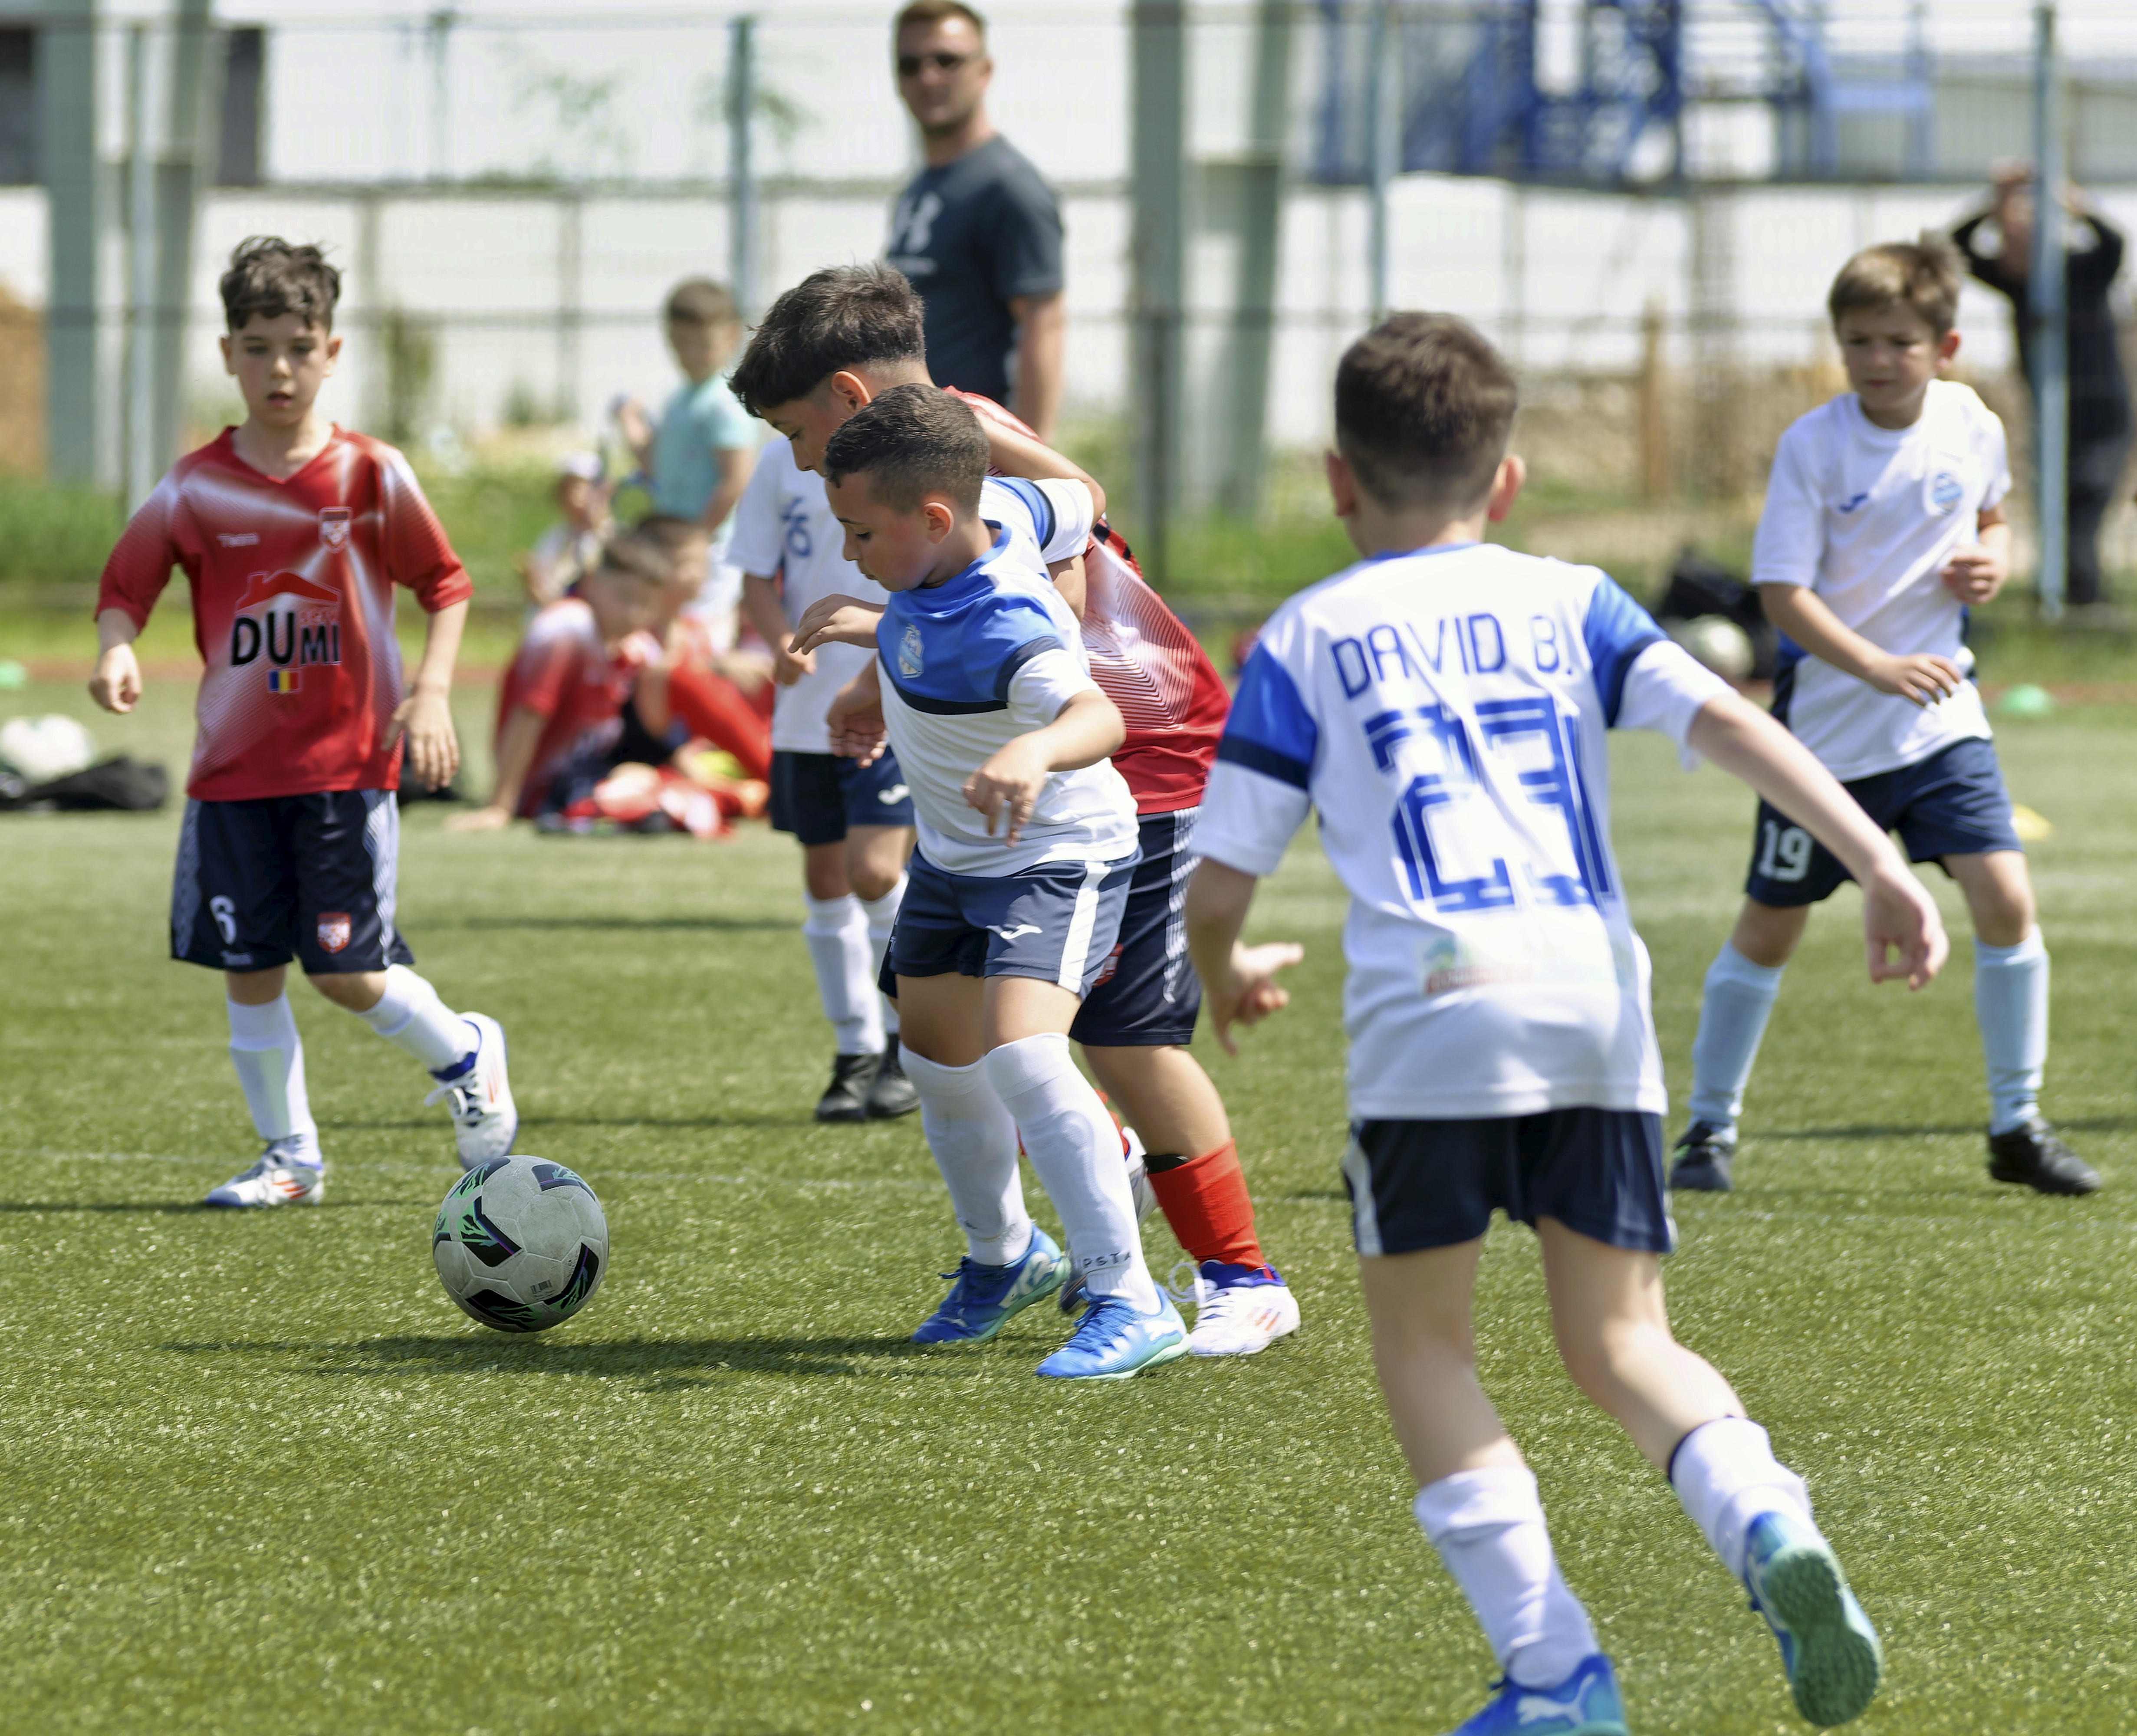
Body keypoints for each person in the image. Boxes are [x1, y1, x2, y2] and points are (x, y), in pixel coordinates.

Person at [1185, 311, 1949, 1733]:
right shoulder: (1572, 601)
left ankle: (1553, 1674)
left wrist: (1221, 968)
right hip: (1593, 1004)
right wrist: (1881, 863)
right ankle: (1762, 1516)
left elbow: (1219, 879)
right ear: (1508, 479)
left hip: (1431, 1020)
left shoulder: (1304, 637)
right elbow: (1735, 725)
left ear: (1337, 480)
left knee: (1427, 1355)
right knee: (1620, 1342)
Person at [734, 262, 1299, 1358]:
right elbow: (1016, 551)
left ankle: (1236, 1274)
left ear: (850, 399)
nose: (799, 461)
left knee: (1118, 1037)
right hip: (1049, 761)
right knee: (968, 1036)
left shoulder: (964, 448)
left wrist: (1022, 699)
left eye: (799, 433)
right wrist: (882, 675)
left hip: (1141, 752)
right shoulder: (938, 461)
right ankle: (1031, 1243)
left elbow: (1061, 544)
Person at [88, 236, 518, 1209]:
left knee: (345, 971)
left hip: (344, 768)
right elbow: (126, 586)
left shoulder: (368, 474)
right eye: (256, 347)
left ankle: (464, 1053)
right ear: (227, 354)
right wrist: (117, 646)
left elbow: (446, 584)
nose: (278, 368)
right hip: (232, 774)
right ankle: (291, 1158)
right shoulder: (194, 484)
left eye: (298, 346)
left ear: (331, 352)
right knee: (248, 971)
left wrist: (431, 692)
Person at [1672, 236, 2101, 1199]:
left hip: (1940, 721)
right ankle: (1706, 1128)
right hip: (1825, 741)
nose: (1875, 359)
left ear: (1943, 347)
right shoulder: (1812, 446)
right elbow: (1780, 595)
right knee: (1768, 930)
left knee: (2005, 900)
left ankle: (2016, 1122)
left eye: (1897, 342)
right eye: (1856, 341)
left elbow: (1992, 519)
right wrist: (1871, 664)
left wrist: (1993, 562)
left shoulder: (1969, 422)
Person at [819, 384, 1189, 1378]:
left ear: (935, 517)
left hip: (1053, 853)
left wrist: (1032, 751)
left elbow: (1095, 716)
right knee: (936, 1064)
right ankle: (1006, 1255)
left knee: (1023, 1055)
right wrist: (869, 659)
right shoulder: (1006, 510)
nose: (849, 551)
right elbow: (1080, 496)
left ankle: (1129, 1296)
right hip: (953, 856)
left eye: (860, 532)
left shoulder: (1007, 619)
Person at [729, 414, 922, 1122]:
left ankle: (908, 1042)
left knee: (874, 871)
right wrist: (780, 640)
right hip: (805, 712)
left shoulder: (905, 453)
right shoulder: (778, 462)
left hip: (890, 701)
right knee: (824, 882)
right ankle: (854, 1051)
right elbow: (754, 572)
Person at [885, 1, 1066, 440]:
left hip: (972, 450)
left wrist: (1029, 461)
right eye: (911, 65)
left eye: (946, 60)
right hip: (912, 443)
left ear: (984, 71)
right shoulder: (920, 186)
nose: (928, 77)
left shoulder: (1008, 186)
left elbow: (1044, 325)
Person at [1953, 168, 2130, 612]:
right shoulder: (2019, 285)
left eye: (2019, 238)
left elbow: (2113, 243)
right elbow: (1959, 246)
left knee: (2084, 501)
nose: (2007, 247)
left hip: (2100, 412)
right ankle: (2063, 591)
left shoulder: (2081, 272)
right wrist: (1998, 201)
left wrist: (2071, 201)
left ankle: (2081, 598)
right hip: (2052, 414)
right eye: (2006, 237)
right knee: (2055, 501)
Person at [451, 533, 670, 830]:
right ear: (591, 583)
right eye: (625, 597)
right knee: (654, 793)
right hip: (547, 791)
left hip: (595, 773)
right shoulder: (567, 629)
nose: (634, 613)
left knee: (657, 782)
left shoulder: (638, 648)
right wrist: (500, 806)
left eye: (646, 603)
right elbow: (529, 715)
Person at [614, 278, 759, 642]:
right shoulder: (679, 400)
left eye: (703, 344)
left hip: (709, 549)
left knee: (703, 637)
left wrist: (698, 539)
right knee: (667, 638)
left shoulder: (725, 403)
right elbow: (656, 466)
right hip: (670, 545)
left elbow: (735, 480)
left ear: (731, 337)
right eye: (681, 343)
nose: (691, 354)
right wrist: (631, 424)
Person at [517, 450, 611, 610]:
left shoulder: (613, 538)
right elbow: (545, 597)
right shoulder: (554, 537)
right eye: (567, 488)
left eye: (578, 487)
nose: (572, 496)